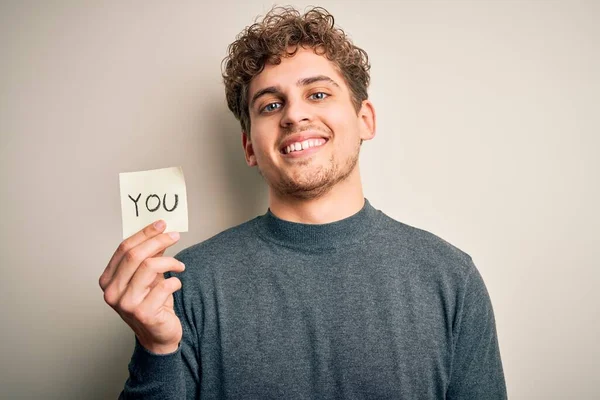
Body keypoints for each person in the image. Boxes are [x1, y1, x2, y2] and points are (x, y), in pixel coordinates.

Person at [99, 6, 507, 399]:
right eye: (271, 105)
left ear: (365, 120)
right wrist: (157, 350)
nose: (294, 115)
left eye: (317, 94)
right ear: (249, 147)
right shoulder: (187, 285)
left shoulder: (451, 278)